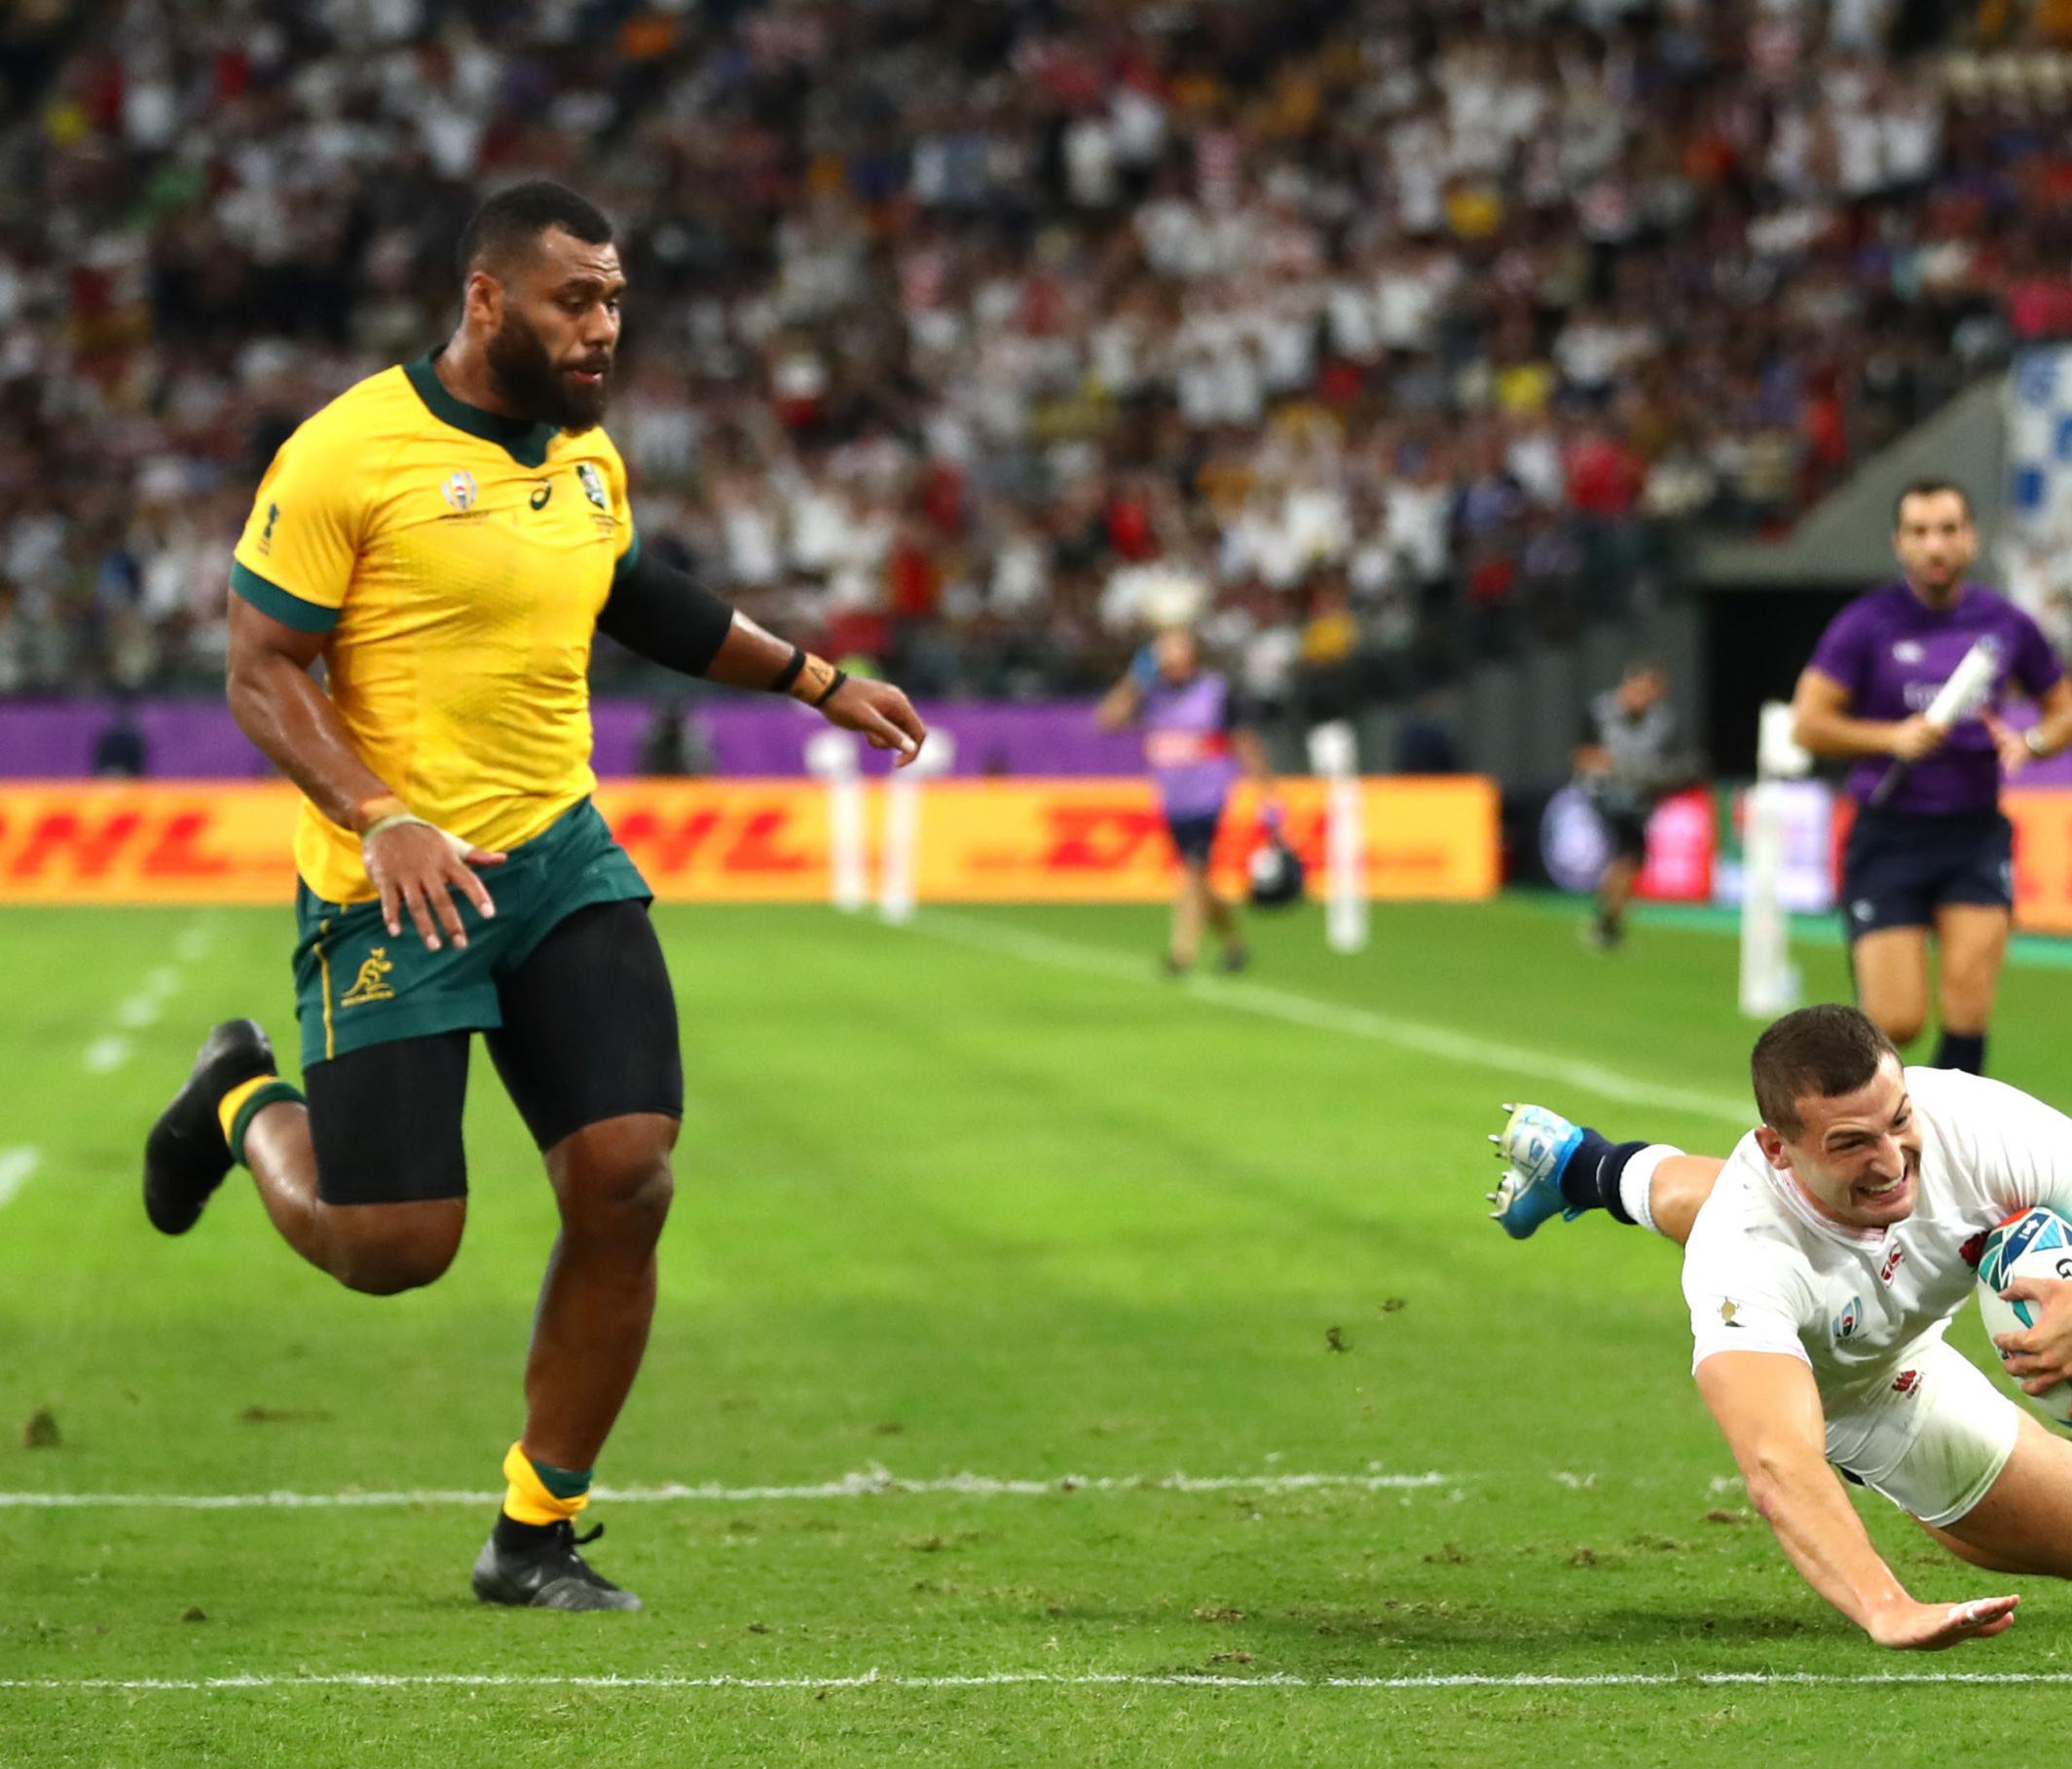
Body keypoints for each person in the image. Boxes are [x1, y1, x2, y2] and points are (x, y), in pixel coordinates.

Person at [138, 182, 927, 1611]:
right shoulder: (345, 453)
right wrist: (381, 819)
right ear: (487, 298)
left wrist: (819, 680)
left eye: (616, 300)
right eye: (577, 298)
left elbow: (639, 593)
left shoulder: (584, 456)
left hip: (557, 860)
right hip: (394, 884)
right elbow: (262, 669)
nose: (603, 326)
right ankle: (240, 1096)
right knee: (394, 1246)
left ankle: (535, 1526)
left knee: (627, 1174)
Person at [1482, 1003, 2072, 1650]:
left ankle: (1586, 1163)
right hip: (1854, 1388)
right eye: (1851, 1142)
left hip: (1884, 1306)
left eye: (1897, 1121)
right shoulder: (1743, 1251)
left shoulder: (1972, 1119)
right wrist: (1887, 1606)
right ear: (1777, 1148)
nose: (1892, 1160)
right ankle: (1885, 1464)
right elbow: (1777, 1462)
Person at [1791, 481, 2072, 1076]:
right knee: (1897, 1021)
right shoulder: (1865, 623)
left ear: (1971, 540)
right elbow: (1808, 724)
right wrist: (1889, 738)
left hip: (1974, 833)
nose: (1935, 546)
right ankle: (1874, 1128)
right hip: (1889, 832)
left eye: (1948, 530)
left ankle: (1950, 1154)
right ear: (1900, 544)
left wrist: (2030, 743)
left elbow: (2066, 712)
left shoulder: (2004, 626)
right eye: (1920, 532)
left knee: (1969, 1005)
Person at [1095, 623, 1276, 976]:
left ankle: (1182, 952)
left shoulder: (1216, 692)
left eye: (1174, 646)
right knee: (1200, 878)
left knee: (1193, 870)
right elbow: (1107, 719)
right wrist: (1135, 679)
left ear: (1192, 651)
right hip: (1173, 799)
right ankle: (1233, 943)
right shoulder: (1152, 694)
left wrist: (1266, 790)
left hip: (1209, 796)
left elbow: (1245, 742)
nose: (1168, 655)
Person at [1573, 663, 1698, 951]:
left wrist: (1656, 778)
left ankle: (1608, 919)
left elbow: (1671, 764)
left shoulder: (1662, 721)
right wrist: (1615, 769)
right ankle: (1608, 923)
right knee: (1626, 855)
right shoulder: (1601, 711)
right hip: (1605, 792)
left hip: (1640, 796)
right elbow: (1584, 754)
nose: (1643, 697)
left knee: (1631, 861)